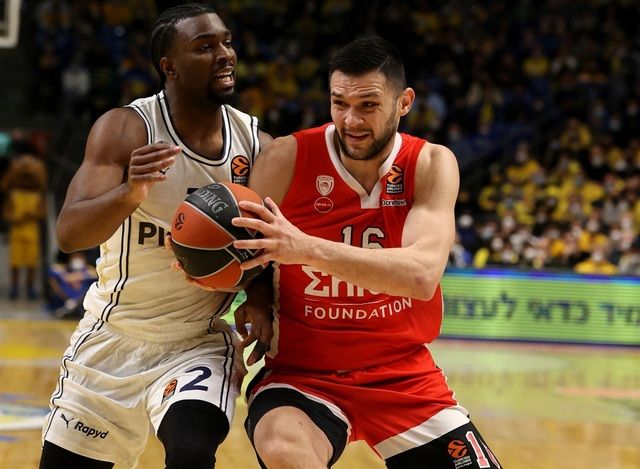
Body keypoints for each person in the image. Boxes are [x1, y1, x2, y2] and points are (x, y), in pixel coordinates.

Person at [234, 37, 502, 468]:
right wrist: (257, 293)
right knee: (284, 449)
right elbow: (249, 253)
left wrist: (305, 248)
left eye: (368, 105)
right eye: (339, 103)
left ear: (404, 102)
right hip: (301, 375)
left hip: (403, 376)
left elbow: (420, 276)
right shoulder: (285, 158)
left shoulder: (430, 164)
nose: (351, 120)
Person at [39, 4, 273, 469]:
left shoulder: (256, 145)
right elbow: (69, 233)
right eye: (204, 47)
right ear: (169, 67)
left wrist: (261, 295)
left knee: (191, 450)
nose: (225, 54)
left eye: (226, 42)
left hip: (197, 340)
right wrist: (129, 192)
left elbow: (269, 247)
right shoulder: (127, 129)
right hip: (113, 336)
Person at [1, 153, 47, 300]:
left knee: (31, 263)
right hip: (16, 232)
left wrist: (32, 215)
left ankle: (30, 287)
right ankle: (14, 287)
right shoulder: (13, 194)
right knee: (15, 262)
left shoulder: (38, 195)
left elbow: (42, 212)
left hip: (32, 232)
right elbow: (6, 213)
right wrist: (18, 218)